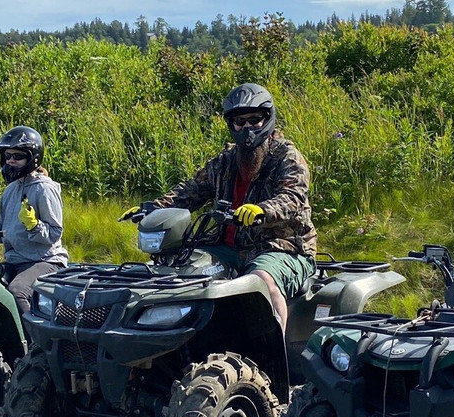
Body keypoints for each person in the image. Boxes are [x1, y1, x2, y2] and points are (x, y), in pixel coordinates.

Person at [121, 83, 317, 333]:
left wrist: (262, 210)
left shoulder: (286, 156)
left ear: (267, 118)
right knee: (179, 272)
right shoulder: (225, 160)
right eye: (240, 122)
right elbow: (191, 190)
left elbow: (293, 197)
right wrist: (153, 207)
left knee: (262, 282)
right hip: (226, 247)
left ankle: (274, 351)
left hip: (281, 248)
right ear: (231, 124)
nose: (247, 127)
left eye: (254, 120)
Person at [0, 126, 68, 315]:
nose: (11, 161)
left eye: (17, 156)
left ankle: (33, 334)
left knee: (17, 292)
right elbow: (0, 234)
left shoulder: (44, 189)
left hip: (44, 260)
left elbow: (55, 232)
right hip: (14, 260)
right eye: (7, 156)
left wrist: (34, 226)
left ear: (32, 158)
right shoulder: (10, 190)